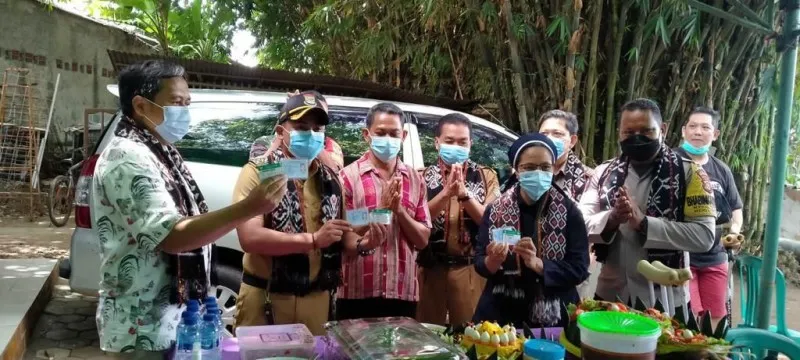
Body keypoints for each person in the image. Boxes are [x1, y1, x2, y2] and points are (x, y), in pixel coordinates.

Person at [92, 60, 287, 355]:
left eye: (187, 102)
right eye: (176, 102)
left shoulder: (161, 151)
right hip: (142, 327)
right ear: (141, 106)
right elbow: (171, 236)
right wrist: (248, 208)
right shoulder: (126, 157)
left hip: (172, 320)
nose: (184, 112)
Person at [579, 98, 716, 313]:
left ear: (663, 129)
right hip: (610, 295)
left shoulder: (690, 174)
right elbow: (580, 224)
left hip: (666, 301)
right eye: (629, 132)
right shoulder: (603, 174)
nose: (637, 138)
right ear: (619, 133)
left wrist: (644, 224)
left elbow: (704, 236)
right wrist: (612, 218)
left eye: (646, 131)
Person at [232, 90, 350, 335]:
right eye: (301, 127)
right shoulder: (259, 172)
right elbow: (249, 238)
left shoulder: (331, 180)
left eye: (318, 129)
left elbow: (343, 236)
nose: (311, 134)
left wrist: (367, 243)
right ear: (280, 132)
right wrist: (314, 240)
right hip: (266, 300)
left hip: (317, 301)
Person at [472, 133, 589, 328]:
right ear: (517, 170)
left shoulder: (569, 212)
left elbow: (579, 268)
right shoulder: (495, 210)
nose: (538, 173)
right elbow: (479, 261)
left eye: (545, 167)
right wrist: (491, 261)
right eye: (529, 167)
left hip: (554, 315)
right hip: (501, 313)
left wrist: (539, 265)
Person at [337, 102, 432, 319]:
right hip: (357, 291)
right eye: (380, 133)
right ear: (366, 134)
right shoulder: (348, 177)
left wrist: (399, 211)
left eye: (393, 133)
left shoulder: (416, 180)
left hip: (402, 292)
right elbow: (345, 225)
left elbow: (423, 239)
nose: (387, 139)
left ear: (403, 136)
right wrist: (378, 213)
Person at [416, 113, 500, 326]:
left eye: (462, 142)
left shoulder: (486, 176)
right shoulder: (421, 177)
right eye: (449, 141)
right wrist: (446, 193)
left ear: (471, 144)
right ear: (437, 143)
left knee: (470, 337)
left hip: (470, 270)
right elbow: (417, 220)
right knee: (428, 338)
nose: (456, 146)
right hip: (430, 271)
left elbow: (489, 222)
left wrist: (464, 194)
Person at [675, 107, 743, 324]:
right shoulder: (669, 163)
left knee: (716, 320)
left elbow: (736, 209)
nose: (698, 132)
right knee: (691, 319)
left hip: (715, 255)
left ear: (715, 135)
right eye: (693, 126)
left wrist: (734, 233)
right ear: (684, 131)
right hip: (680, 257)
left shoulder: (722, 170)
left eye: (705, 127)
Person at [537, 109, 598, 300]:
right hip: (531, 268)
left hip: (573, 270)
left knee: (569, 324)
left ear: (572, 141)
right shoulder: (523, 175)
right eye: (544, 134)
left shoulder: (589, 179)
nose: (549, 139)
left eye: (557, 134)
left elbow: (593, 227)